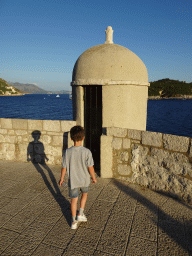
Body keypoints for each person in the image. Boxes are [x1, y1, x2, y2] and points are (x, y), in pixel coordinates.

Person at [59, 125, 97, 229]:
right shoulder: (87, 152)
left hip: (73, 181)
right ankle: (80, 213)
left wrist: (62, 178)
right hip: (84, 180)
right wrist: (93, 178)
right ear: (83, 137)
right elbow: (91, 168)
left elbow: (64, 167)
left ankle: (74, 222)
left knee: (73, 200)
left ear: (71, 138)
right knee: (84, 194)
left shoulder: (67, 152)